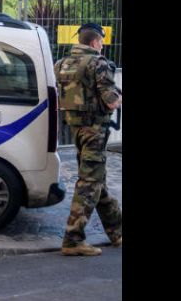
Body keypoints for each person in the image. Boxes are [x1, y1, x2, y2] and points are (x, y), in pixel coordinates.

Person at [55, 23, 122, 256]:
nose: (102, 46)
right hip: (95, 130)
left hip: (75, 129)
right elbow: (111, 100)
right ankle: (73, 239)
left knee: (97, 181)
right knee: (89, 183)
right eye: (101, 42)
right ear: (94, 42)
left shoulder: (62, 64)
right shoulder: (98, 63)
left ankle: (117, 232)